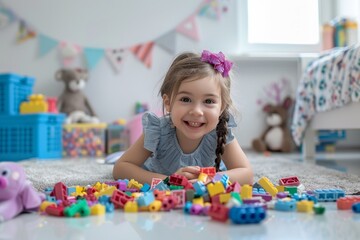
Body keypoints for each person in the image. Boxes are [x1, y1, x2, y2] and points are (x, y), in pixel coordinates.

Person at [113, 50, 253, 185]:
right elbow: (121, 168)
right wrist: (169, 181)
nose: (197, 111)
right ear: (168, 103)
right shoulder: (158, 130)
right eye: (186, 99)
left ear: (222, 108)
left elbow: (246, 174)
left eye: (209, 101)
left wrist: (212, 178)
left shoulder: (221, 132)